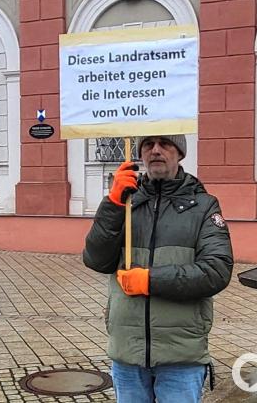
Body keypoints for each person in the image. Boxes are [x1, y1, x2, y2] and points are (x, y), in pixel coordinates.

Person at [83, 134, 234, 403]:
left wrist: (150, 281)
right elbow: (96, 259)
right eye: (148, 145)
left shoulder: (203, 206)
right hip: (127, 351)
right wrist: (113, 203)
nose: (155, 151)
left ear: (180, 153)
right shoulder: (126, 203)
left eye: (165, 144)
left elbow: (216, 270)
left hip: (181, 354)